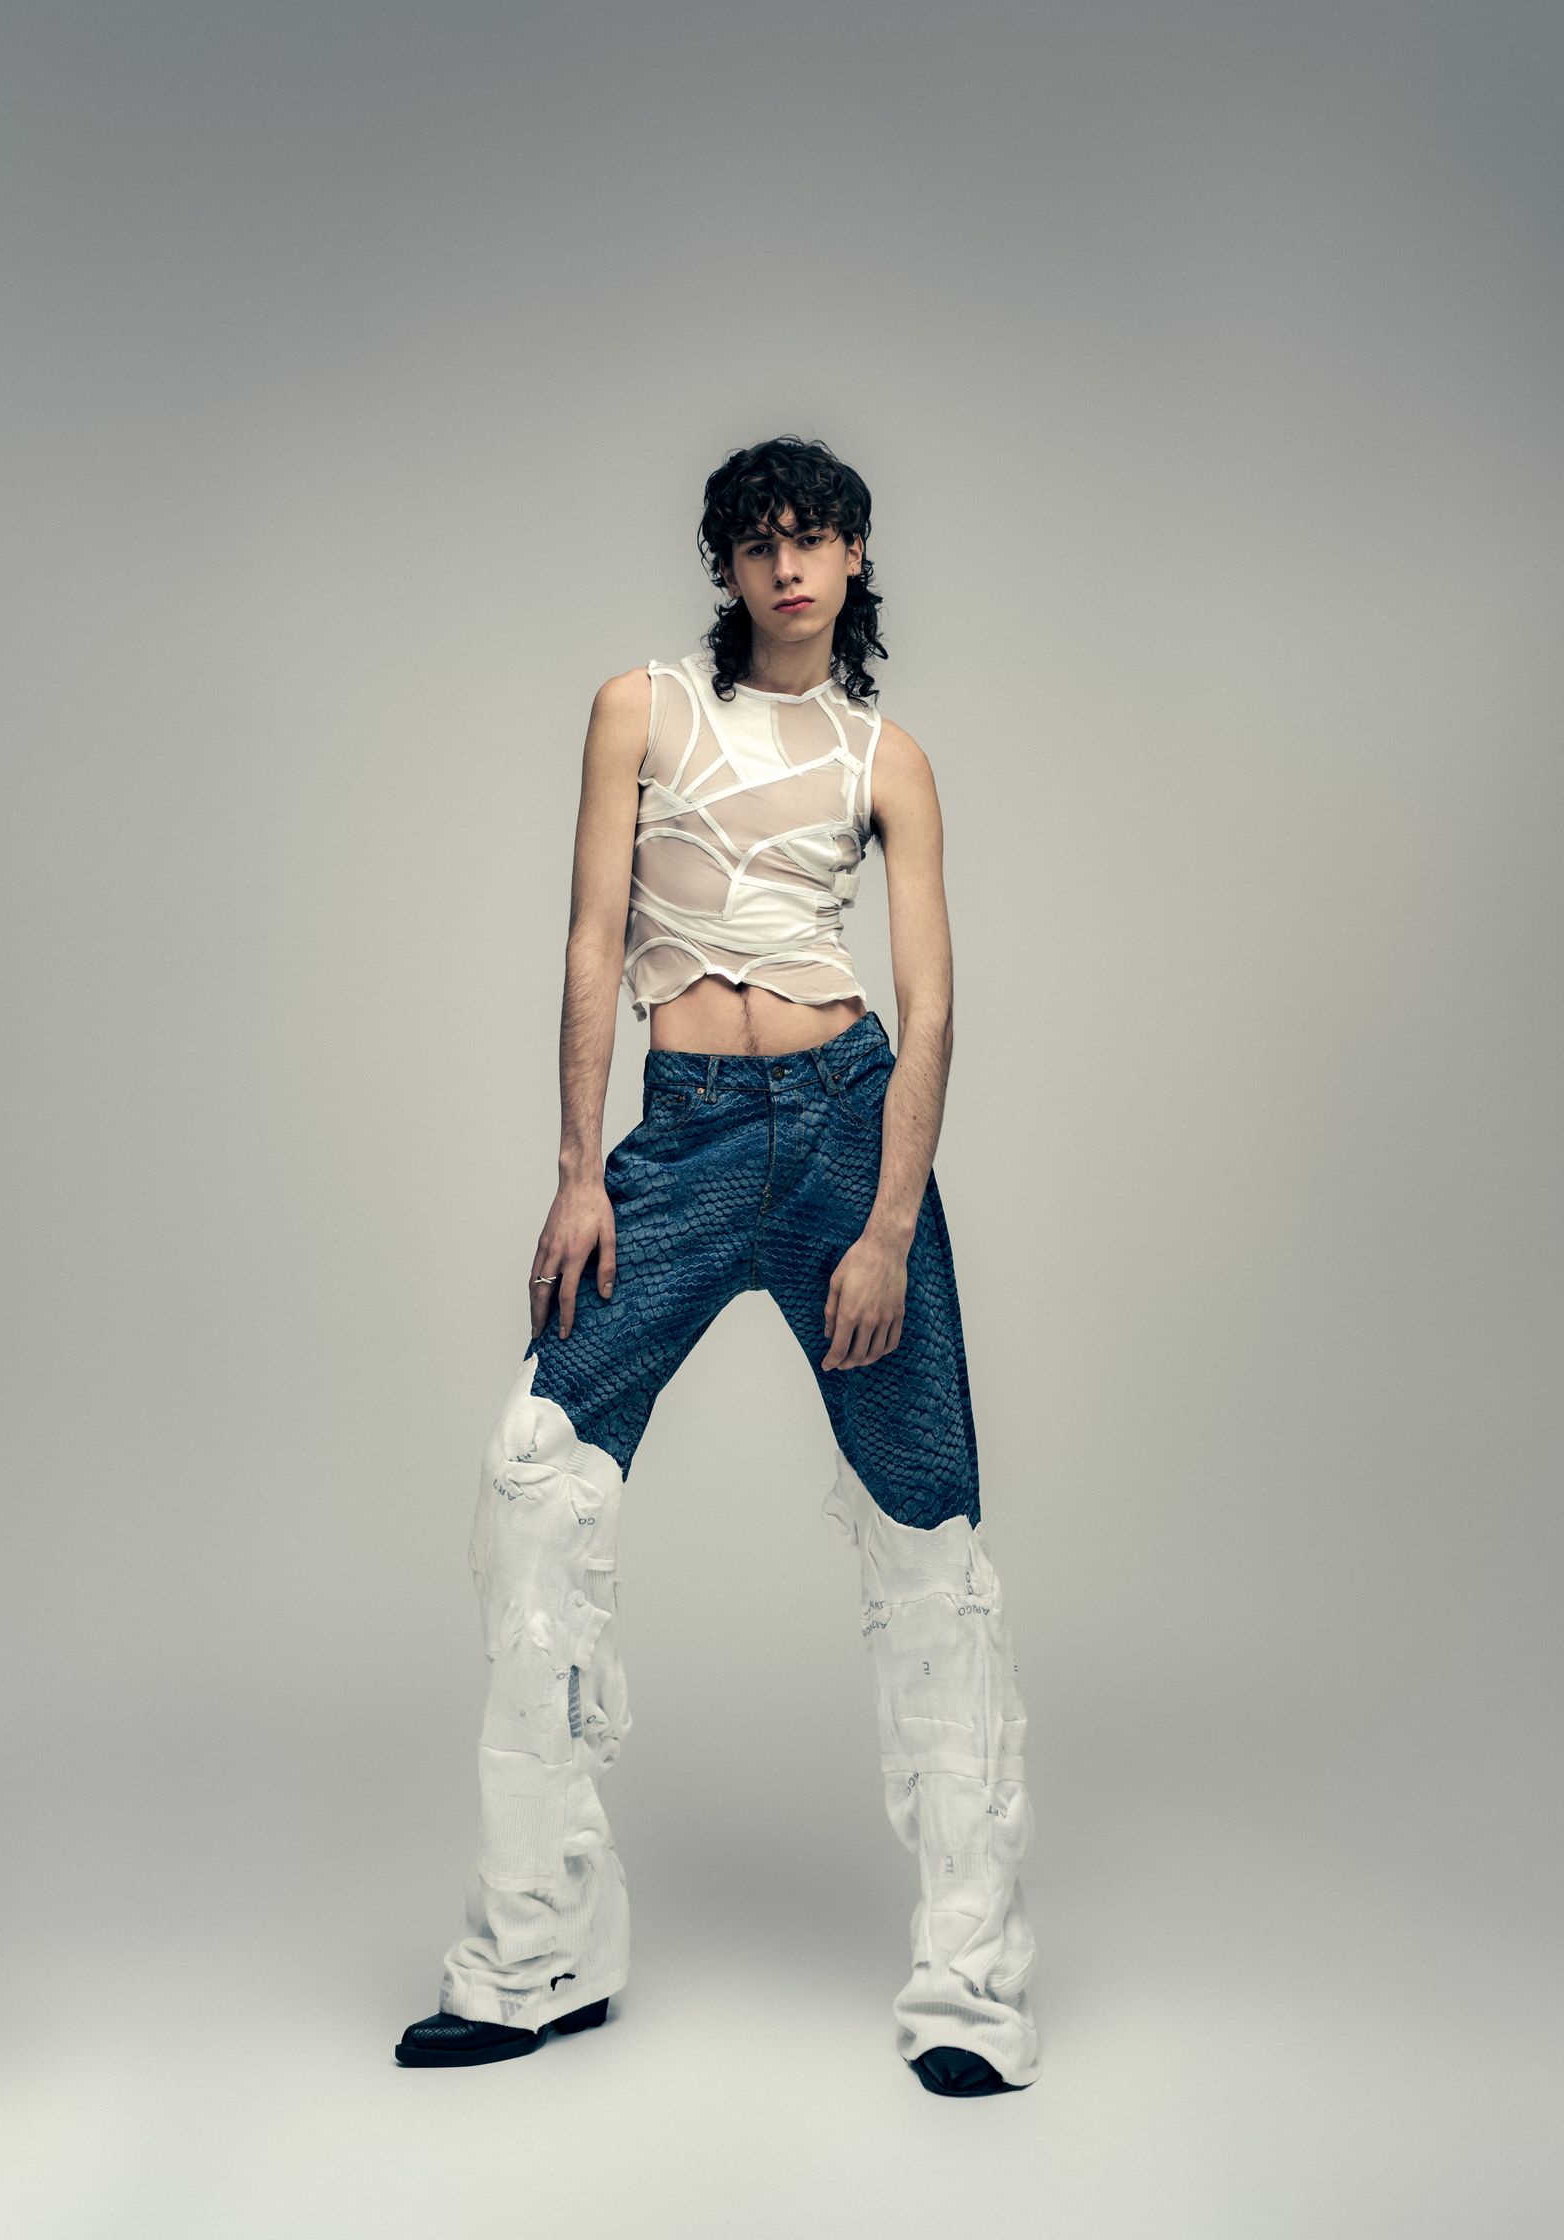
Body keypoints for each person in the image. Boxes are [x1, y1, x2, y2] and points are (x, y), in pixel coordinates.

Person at [395, 435, 1043, 2097]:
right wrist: (572, 1167)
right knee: (536, 1476)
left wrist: (891, 1223)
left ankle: (972, 1984)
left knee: (930, 1530)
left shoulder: (889, 759)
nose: (787, 566)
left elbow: (938, 1003)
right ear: (728, 566)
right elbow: (594, 940)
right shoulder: (642, 708)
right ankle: (540, 1952)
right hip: (677, 1143)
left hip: (842, 1134)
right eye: (759, 542)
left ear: (852, 559)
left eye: (814, 538)